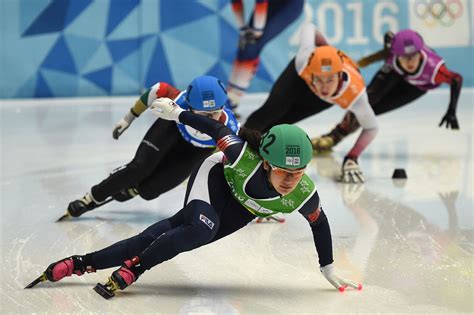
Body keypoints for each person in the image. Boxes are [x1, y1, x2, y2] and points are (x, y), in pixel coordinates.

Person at [26, 98, 362, 298]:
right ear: (264, 161)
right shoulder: (239, 154)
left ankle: (80, 263)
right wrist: (176, 114)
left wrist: (327, 266)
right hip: (214, 178)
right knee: (201, 227)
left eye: (299, 172)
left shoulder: (304, 193)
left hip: (239, 209)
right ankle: (136, 269)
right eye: (283, 172)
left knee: (158, 237)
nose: (291, 181)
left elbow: (320, 225)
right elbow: (218, 130)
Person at [58, 75, 240, 220]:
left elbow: (237, 161)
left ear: (223, 107)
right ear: (189, 107)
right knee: (139, 168)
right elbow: (157, 89)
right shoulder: (177, 100)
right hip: (172, 128)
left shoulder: (231, 128)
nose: (206, 120)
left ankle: (134, 189)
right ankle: (90, 198)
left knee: (150, 190)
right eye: (202, 114)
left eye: (213, 114)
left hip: (196, 150)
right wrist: (129, 118)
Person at [244, 23, 378, 183]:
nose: (324, 87)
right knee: (272, 110)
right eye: (320, 80)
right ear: (312, 74)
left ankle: (259, 152)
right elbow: (309, 27)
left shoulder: (355, 94)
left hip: (323, 94)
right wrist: (326, 49)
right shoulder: (304, 61)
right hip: (300, 78)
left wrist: (352, 156)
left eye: (330, 80)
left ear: (340, 76)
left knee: (283, 121)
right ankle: (239, 146)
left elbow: (372, 128)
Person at [312, 29, 463, 152]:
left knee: (372, 112)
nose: (409, 61)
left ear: (420, 53)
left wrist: (451, 110)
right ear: (396, 53)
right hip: (394, 72)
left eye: (413, 56)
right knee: (365, 102)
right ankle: (333, 137)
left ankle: (334, 137)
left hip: (417, 86)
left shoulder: (434, 68)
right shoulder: (392, 54)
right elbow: (389, 35)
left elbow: (456, 79)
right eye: (404, 57)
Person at [226, 0, 304, 114]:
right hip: (269, 4)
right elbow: (236, 3)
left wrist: (255, 33)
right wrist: (243, 29)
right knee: (245, 46)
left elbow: (260, 5)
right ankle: (230, 99)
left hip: (289, 5)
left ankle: (232, 101)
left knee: (251, 45)